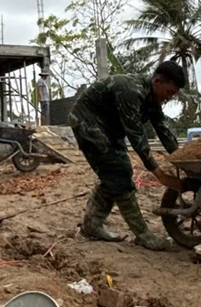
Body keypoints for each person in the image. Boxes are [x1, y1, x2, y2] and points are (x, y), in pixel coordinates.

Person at [69, 61, 185, 251]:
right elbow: (136, 134)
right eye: (169, 92)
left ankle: (92, 224)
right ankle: (143, 235)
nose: (169, 98)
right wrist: (158, 173)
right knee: (118, 172)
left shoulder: (152, 99)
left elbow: (162, 129)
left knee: (115, 174)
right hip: (87, 122)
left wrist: (182, 158)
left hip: (109, 128)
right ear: (157, 81)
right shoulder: (131, 91)